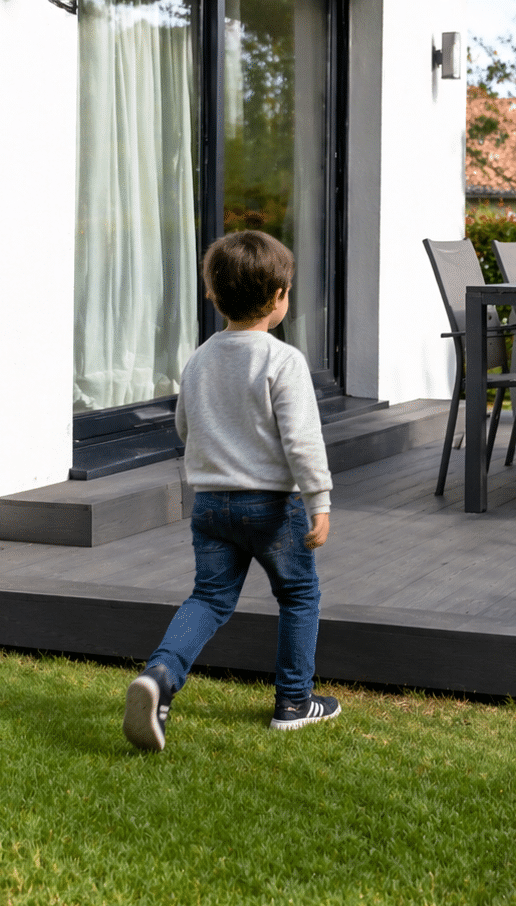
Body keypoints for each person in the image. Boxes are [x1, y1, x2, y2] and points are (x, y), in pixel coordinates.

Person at [123, 230, 338, 752]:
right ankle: (293, 702)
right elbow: (302, 440)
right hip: (271, 507)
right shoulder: (282, 360)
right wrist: (320, 501)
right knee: (299, 594)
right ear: (281, 296)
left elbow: (183, 425)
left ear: (212, 294)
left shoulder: (199, 359)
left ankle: (160, 675)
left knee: (210, 598)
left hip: (211, 505)